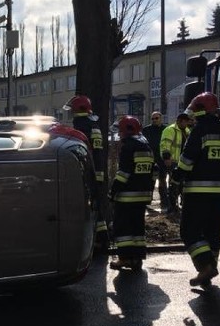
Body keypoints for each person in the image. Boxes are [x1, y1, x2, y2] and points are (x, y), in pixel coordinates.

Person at [172, 92, 220, 287]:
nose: (192, 116)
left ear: (201, 111)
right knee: (212, 232)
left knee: (189, 231)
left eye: (194, 112)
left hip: (197, 193)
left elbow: (187, 161)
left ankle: (205, 266)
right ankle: (210, 268)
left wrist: (176, 177)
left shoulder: (200, 131)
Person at [109, 116, 156, 271]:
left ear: (126, 131)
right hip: (142, 195)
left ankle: (124, 258)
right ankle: (137, 258)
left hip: (127, 195)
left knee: (123, 228)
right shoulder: (147, 147)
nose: (119, 134)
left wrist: (113, 191)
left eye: (120, 131)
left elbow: (123, 174)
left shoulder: (128, 147)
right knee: (137, 228)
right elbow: (153, 172)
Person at [63, 93, 108, 250]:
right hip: (96, 170)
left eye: (72, 110)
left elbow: (82, 150)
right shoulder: (93, 124)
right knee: (96, 206)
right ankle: (102, 240)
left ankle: (97, 241)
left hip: (89, 171)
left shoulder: (82, 124)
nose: (71, 112)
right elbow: (97, 150)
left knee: (91, 206)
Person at [160, 112, 192, 216]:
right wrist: (166, 158)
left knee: (182, 185)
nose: (186, 124)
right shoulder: (170, 130)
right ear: (179, 121)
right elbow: (165, 145)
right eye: (185, 122)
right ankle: (172, 209)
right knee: (174, 186)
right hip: (173, 162)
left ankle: (180, 208)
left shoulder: (187, 131)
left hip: (183, 163)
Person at [142, 111, 168, 212]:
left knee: (162, 180)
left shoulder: (165, 129)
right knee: (149, 181)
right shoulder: (146, 130)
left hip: (162, 159)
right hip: (150, 158)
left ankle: (164, 202)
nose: (154, 120)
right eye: (153, 119)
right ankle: (147, 202)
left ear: (161, 118)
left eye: (156, 118)